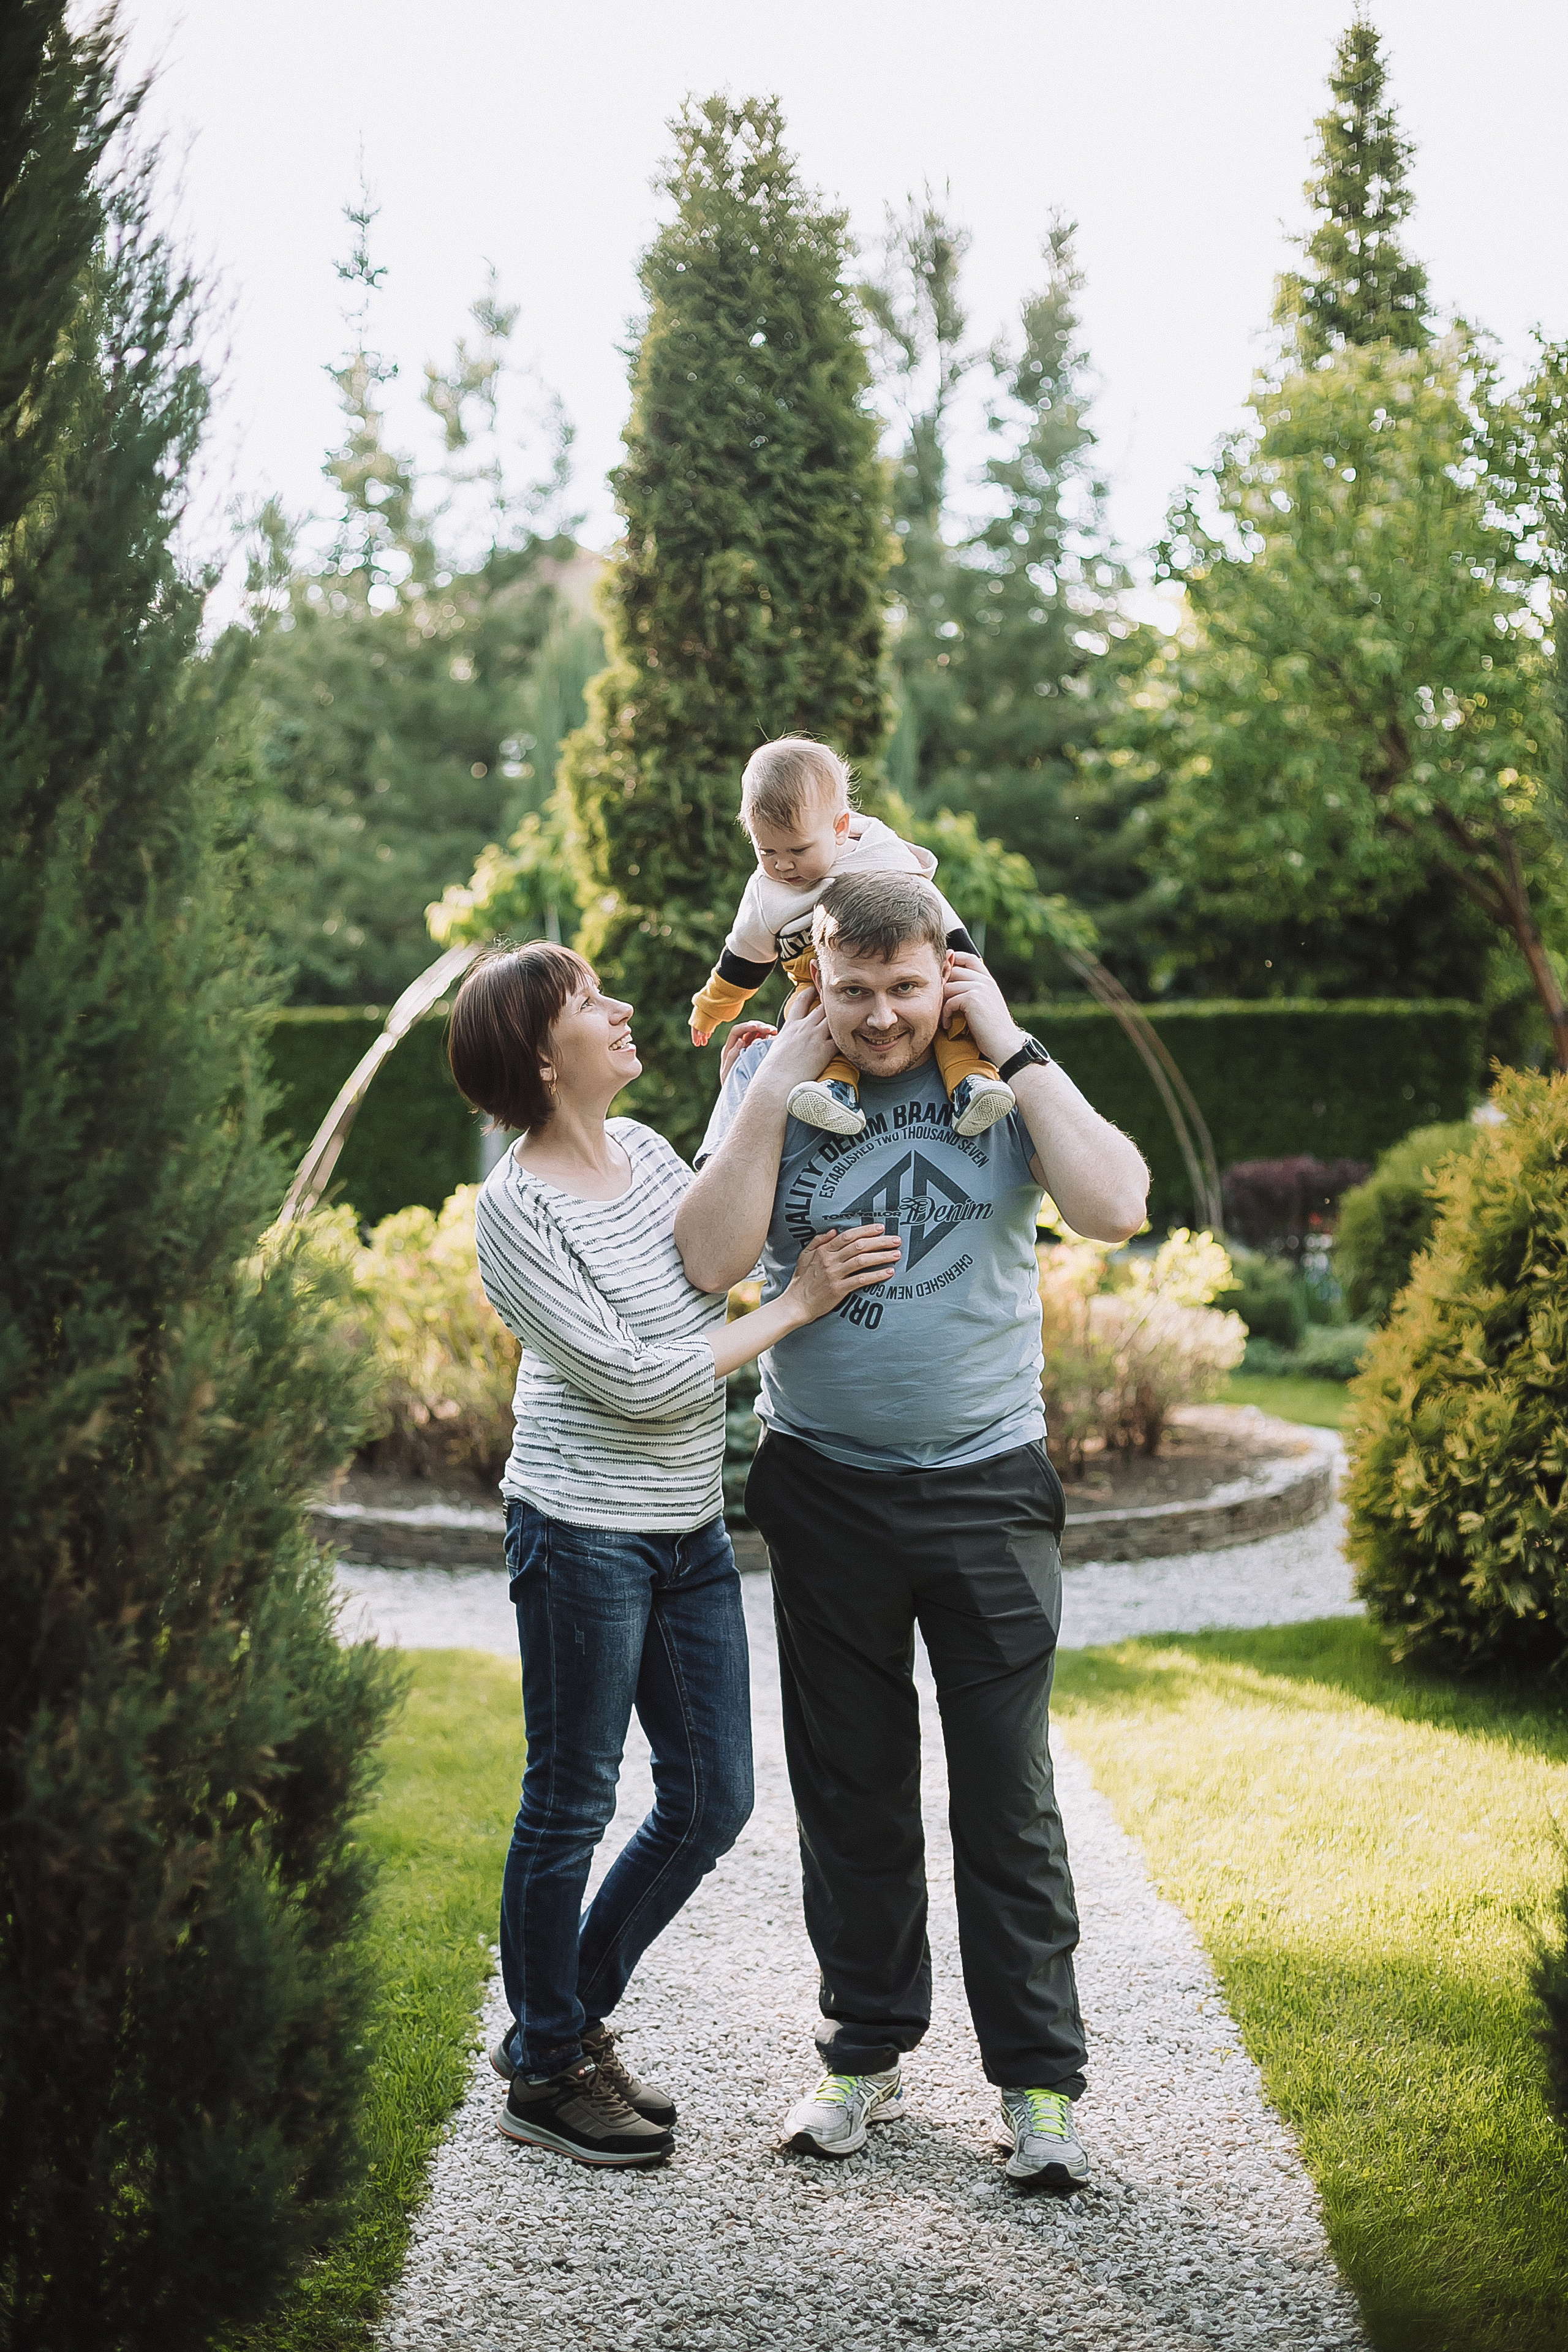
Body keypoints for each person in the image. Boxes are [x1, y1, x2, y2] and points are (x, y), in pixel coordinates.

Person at [674, 872, 1148, 2194]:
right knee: (851, 1789)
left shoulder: (990, 1070)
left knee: (1006, 1795)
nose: (877, 1017)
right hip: (824, 1489)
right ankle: (861, 2053)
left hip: (987, 1486)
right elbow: (710, 1257)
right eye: (849, 988)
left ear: (942, 970)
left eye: (903, 987)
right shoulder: (770, 1072)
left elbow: (1116, 1203)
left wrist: (1010, 1038)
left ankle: (1039, 2091)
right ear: (808, 977)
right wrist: (770, 1091)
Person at [447, 941, 902, 2171]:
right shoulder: (515, 1210)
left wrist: (767, 1093)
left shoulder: (643, 1153)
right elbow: (645, 1383)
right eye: (591, 1003)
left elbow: (714, 1263)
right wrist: (798, 1301)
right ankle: (549, 2064)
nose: (621, 1008)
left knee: (710, 1799)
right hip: (581, 1529)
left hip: (683, 1527)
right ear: (543, 1054)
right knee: (571, 1801)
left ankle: (551, 2027)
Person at [689, 735, 1014, 1140]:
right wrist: (712, 1008)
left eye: (798, 849)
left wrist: (982, 990)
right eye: (767, 851)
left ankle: (973, 1082)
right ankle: (834, 1091)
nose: (784, 864)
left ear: (840, 828)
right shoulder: (767, 892)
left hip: (901, 975)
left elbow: (943, 926)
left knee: (951, 1014)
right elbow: (744, 957)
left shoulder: (884, 861)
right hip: (823, 989)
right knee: (806, 1021)